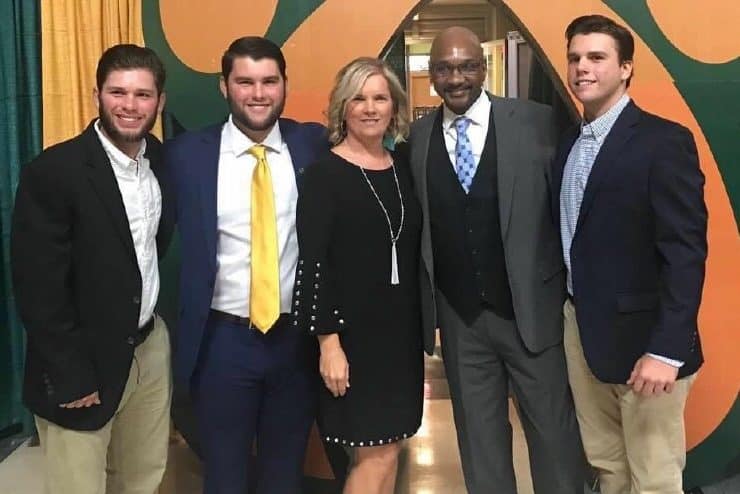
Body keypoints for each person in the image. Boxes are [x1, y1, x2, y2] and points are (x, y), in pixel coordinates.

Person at [405, 26, 584, 493]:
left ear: (484, 68)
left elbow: (568, 209)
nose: (456, 77)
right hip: (462, 322)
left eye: (466, 66)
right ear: (431, 75)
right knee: (479, 445)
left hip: (531, 313)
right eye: (444, 68)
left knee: (554, 438)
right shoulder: (418, 138)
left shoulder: (538, 122)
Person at [163, 36, 328, 493]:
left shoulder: (313, 145)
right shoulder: (186, 156)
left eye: (269, 81)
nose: (258, 93)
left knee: (284, 475)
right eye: (245, 82)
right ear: (224, 87)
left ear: (284, 86)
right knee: (225, 477)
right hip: (221, 343)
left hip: (295, 341)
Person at [553, 15, 707, 494]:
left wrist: (666, 350)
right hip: (583, 334)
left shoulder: (664, 142)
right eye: (576, 58)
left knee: (655, 476)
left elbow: (685, 253)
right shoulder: (569, 145)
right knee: (608, 466)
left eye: (597, 57)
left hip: (648, 345)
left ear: (625, 69)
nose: (583, 68)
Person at [11, 44, 172, 494]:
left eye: (143, 94)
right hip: (81, 360)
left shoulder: (159, 160)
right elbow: (37, 286)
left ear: (159, 102)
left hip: (148, 350)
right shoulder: (54, 171)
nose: (130, 105)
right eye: (117, 92)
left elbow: (148, 251)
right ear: (96, 96)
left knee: (143, 478)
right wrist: (70, 373)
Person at [293, 57, 424, 494]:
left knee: (391, 449)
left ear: (394, 106)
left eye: (380, 98)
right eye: (359, 98)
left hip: (400, 340)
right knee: (375, 454)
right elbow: (313, 264)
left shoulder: (403, 165)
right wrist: (328, 343)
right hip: (352, 341)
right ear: (342, 108)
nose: (370, 108)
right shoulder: (324, 174)